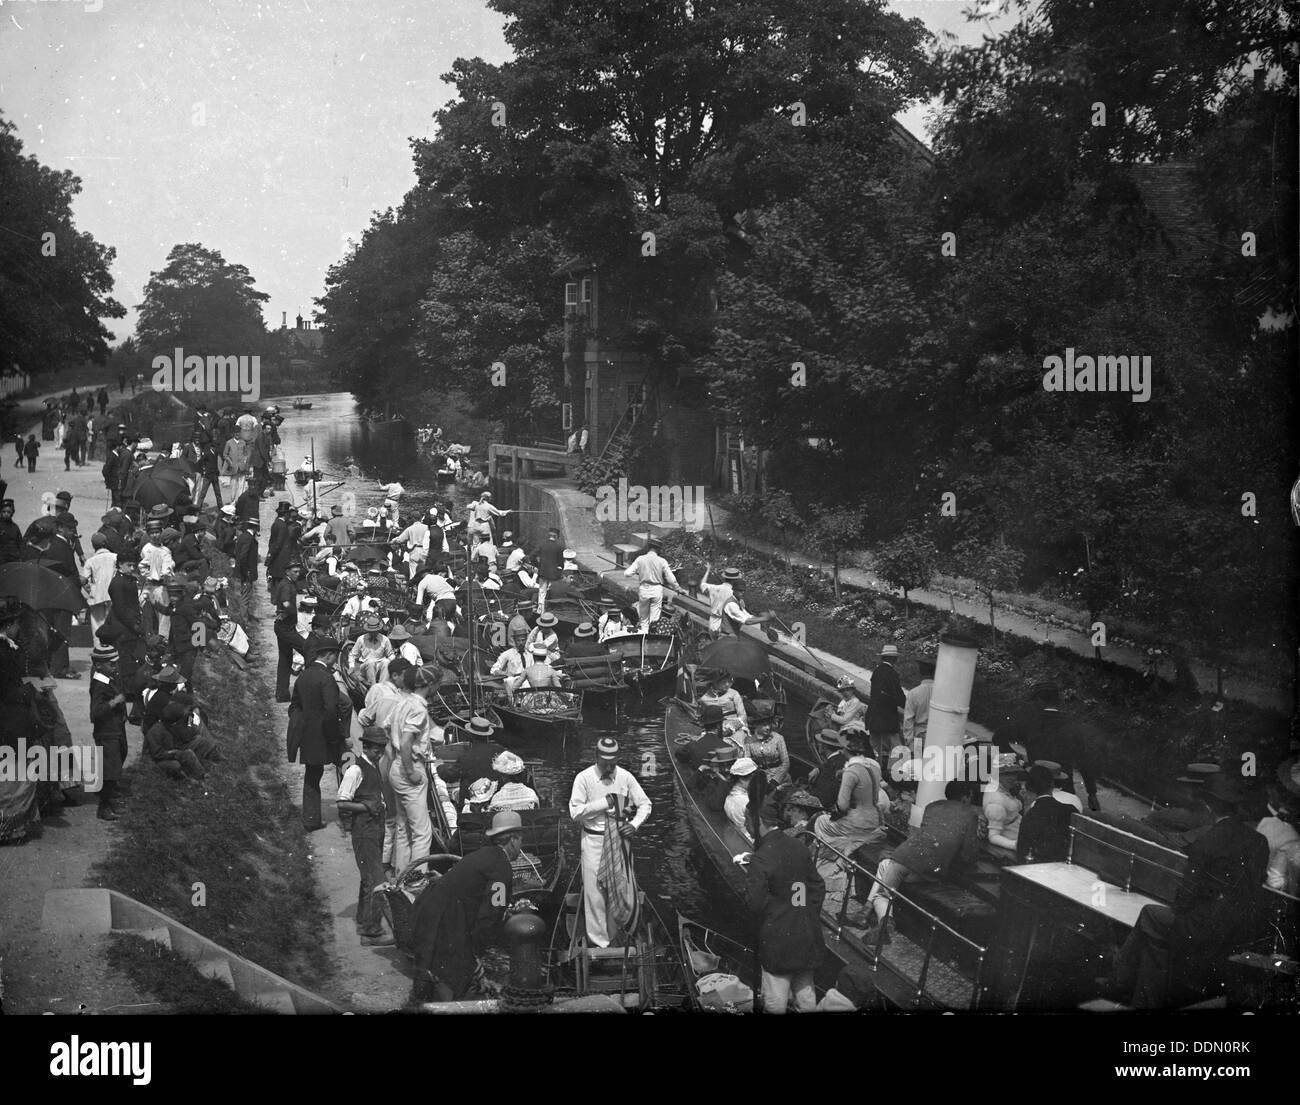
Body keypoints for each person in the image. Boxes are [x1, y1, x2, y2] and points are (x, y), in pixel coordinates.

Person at [1110, 772, 1269, 1008]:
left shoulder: (1206, 842)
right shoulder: (1259, 841)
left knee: (1150, 916)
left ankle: (1120, 981)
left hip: (1204, 929)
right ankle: (1131, 989)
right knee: (1157, 938)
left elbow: (1184, 899)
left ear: (1209, 805)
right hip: (1243, 929)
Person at [409, 810, 523, 1002]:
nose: (521, 846)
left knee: (434, 969)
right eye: (521, 840)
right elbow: (491, 914)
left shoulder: (483, 854)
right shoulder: (501, 867)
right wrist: (477, 953)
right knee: (455, 978)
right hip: (446, 917)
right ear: (513, 840)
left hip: (429, 909)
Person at [865, 781, 980, 941]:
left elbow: (929, 833)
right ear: (967, 796)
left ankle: (876, 917)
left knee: (883, 891)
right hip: (930, 869)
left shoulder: (932, 807)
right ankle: (877, 919)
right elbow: (969, 853)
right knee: (885, 871)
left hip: (905, 855)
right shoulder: (970, 814)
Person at [568, 737, 651, 948]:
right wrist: (603, 803)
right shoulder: (583, 778)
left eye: (613, 763)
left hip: (619, 840)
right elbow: (575, 812)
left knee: (619, 887)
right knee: (594, 892)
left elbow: (645, 804)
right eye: (605, 763)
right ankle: (599, 942)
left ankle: (616, 935)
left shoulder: (625, 776)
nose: (609, 767)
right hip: (593, 840)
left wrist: (634, 824)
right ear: (596, 757)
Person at [742, 805, 825, 1014]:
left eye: (747, 820)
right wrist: (801, 909)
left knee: (774, 1002)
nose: (745, 825)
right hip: (806, 934)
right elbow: (816, 886)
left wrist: (777, 913)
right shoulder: (798, 846)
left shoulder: (761, 857)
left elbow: (755, 904)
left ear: (758, 822)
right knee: (806, 996)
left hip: (778, 942)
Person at [811, 725, 889, 922]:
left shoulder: (851, 771)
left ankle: (828, 863)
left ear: (846, 751)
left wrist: (833, 813)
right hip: (875, 818)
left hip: (856, 822)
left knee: (820, 821)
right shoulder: (874, 765)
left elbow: (842, 805)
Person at [336, 725, 395, 946]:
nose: (379, 753)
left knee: (368, 878)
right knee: (377, 880)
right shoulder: (355, 770)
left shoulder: (373, 766)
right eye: (375, 749)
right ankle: (371, 932)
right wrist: (367, 806)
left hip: (375, 830)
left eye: (382, 749)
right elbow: (342, 802)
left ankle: (363, 919)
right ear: (366, 747)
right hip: (364, 831)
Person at [386, 664, 442, 872]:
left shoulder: (402, 702)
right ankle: (418, 879)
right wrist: (411, 771)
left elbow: (386, 728)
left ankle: (401, 874)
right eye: (437, 684)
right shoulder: (418, 708)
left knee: (404, 828)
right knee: (422, 832)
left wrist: (396, 757)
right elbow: (408, 741)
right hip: (410, 768)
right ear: (429, 684)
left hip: (397, 765)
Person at [287, 634, 345, 831]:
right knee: (317, 775)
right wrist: (334, 737)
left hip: (307, 732)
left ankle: (311, 817)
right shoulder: (326, 678)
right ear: (329, 655)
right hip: (322, 733)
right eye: (335, 656)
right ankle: (312, 819)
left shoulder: (304, 675)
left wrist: (302, 721)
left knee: (312, 774)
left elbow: (294, 706)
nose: (335, 661)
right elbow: (331, 711)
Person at [88, 644, 129, 820]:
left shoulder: (110, 678)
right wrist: (113, 702)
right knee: (111, 770)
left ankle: (108, 797)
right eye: (111, 664)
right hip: (106, 732)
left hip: (116, 729)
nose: (115, 667)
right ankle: (103, 807)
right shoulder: (99, 684)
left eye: (115, 663)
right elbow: (95, 713)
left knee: (119, 759)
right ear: (98, 666)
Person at [1016, 764, 1074, 863]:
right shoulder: (1071, 810)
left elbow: (1022, 850)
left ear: (1030, 787)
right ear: (1052, 785)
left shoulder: (1031, 815)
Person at [622, 536, 682, 632]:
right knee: (655, 619)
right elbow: (671, 578)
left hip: (644, 589)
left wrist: (639, 571)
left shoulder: (640, 559)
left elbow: (627, 573)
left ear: (649, 547)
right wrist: (678, 588)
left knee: (644, 619)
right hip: (657, 589)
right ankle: (653, 634)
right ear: (658, 549)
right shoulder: (662, 561)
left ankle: (644, 635)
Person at [272, 563, 308, 702]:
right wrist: (293, 612)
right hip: (285, 628)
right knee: (307, 649)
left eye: (299, 571)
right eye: (295, 571)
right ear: (288, 571)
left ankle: (282, 694)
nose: (297, 574)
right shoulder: (287, 585)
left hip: (285, 627)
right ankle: (309, 691)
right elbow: (286, 603)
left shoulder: (288, 582)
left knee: (285, 660)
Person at [865, 644, 906, 762]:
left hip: (873, 714)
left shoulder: (877, 671)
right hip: (887, 717)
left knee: (875, 747)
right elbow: (898, 695)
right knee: (896, 745)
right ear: (894, 659)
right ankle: (897, 771)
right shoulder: (891, 673)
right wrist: (907, 706)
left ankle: (875, 769)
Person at [744, 704, 791, 788]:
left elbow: (786, 763)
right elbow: (747, 762)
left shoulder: (778, 738)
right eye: (764, 725)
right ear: (756, 725)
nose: (768, 727)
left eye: (769, 724)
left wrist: (775, 781)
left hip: (779, 777)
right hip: (759, 776)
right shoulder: (748, 740)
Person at [983, 765, 1024, 853]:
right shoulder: (996, 800)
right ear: (997, 774)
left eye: (1014, 773)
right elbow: (993, 837)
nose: (1012, 778)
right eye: (1007, 774)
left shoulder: (1002, 790)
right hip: (1010, 845)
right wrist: (1014, 845)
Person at [349, 613, 394, 689]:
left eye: (375, 631)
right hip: (365, 666)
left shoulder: (385, 639)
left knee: (386, 662)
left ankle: (383, 687)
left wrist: (389, 659)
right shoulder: (361, 639)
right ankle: (373, 687)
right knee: (371, 661)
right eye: (371, 631)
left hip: (379, 666)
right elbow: (352, 655)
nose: (373, 633)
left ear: (378, 630)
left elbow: (391, 654)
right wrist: (352, 666)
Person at [902, 655, 935, 756]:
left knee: (918, 766)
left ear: (920, 673)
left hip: (919, 736)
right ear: (934, 673)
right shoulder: (942, 693)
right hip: (937, 735)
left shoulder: (914, 693)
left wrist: (909, 741)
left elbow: (908, 719)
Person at [725, 757, 762, 845]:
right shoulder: (746, 801)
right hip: (750, 842)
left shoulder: (729, 796)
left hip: (738, 837)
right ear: (741, 779)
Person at [534, 527, 564, 614]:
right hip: (554, 574)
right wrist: (559, 569)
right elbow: (561, 563)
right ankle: (550, 611)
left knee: (542, 592)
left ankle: (540, 611)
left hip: (543, 572)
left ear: (549, 535)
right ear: (556, 537)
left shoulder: (542, 545)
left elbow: (532, 555)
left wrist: (538, 565)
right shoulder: (559, 547)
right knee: (551, 592)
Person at [233, 517, 259, 604]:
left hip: (241, 571)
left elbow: (236, 552)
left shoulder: (243, 536)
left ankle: (244, 616)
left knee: (243, 596)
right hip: (245, 574)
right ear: (255, 527)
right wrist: (246, 571)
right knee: (245, 598)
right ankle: (244, 618)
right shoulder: (249, 538)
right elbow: (243, 557)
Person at [0, 499, 21, 564]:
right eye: (4, 511)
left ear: (12, 513)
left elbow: (19, 544)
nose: (6, 514)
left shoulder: (15, 527)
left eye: (8, 512)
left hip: (14, 560)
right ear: (0, 512)